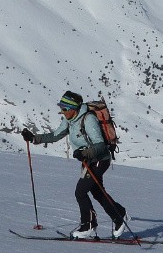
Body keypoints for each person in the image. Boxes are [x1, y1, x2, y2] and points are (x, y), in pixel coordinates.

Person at [20, 90, 130, 239]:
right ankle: (119, 214)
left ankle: (89, 225)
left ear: (74, 108)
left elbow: (100, 145)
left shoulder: (88, 119)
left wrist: (85, 153)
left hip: (99, 159)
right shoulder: (69, 120)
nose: (62, 111)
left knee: (80, 192)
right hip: (88, 161)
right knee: (97, 192)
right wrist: (34, 138)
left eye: (65, 108)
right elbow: (55, 135)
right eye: (61, 108)